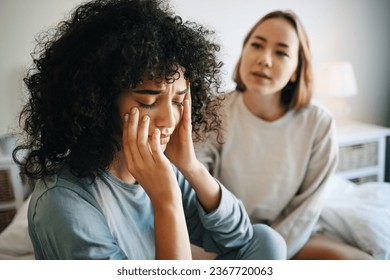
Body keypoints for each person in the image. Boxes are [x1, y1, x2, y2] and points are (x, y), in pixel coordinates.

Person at [12, 0, 287, 260]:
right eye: (148, 101)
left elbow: (241, 237)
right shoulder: (63, 202)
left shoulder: (161, 168)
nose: (169, 119)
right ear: (99, 102)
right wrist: (165, 199)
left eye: (179, 101)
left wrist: (191, 167)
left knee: (268, 241)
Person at [196, 10, 373, 260]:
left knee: (365, 264)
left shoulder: (318, 123)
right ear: (244, 51)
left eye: (281, 52)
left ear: (296, 70)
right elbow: (195, 186)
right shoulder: (216, 110)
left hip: (289, 235)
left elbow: (306, 209)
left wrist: (272, 254)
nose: (265, 59)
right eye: (256, 45)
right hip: (222, 234)